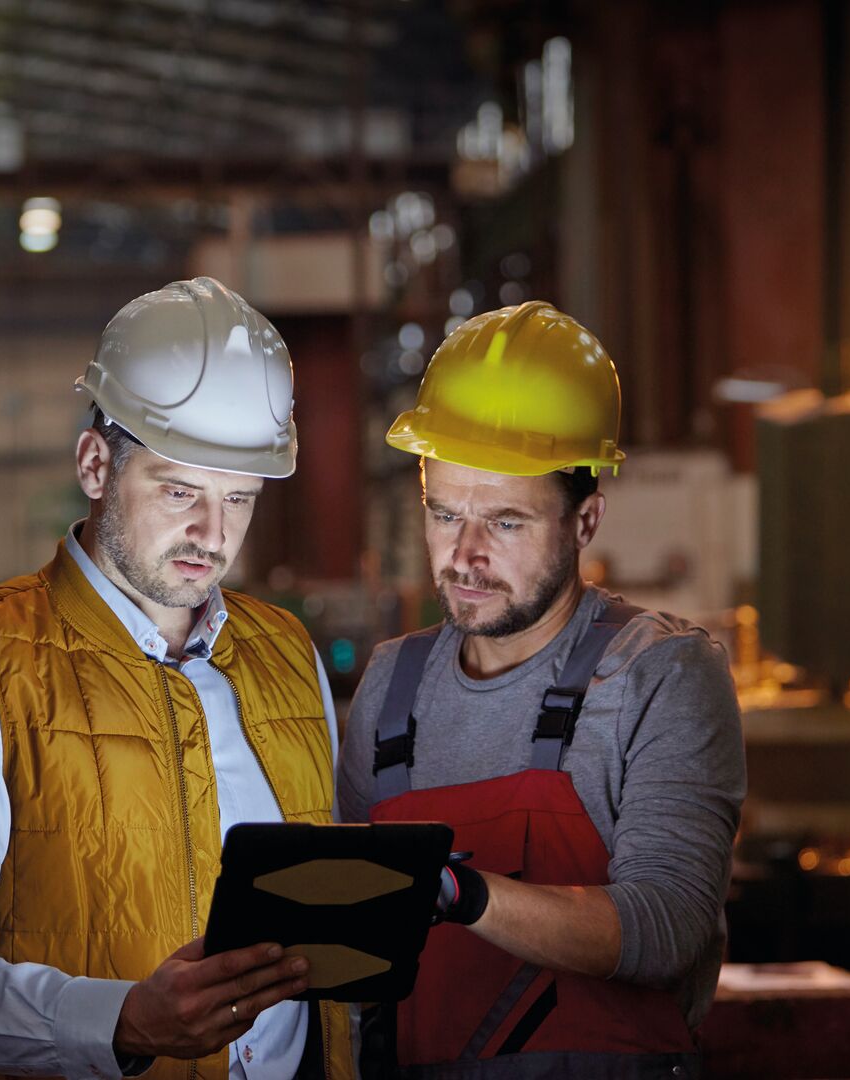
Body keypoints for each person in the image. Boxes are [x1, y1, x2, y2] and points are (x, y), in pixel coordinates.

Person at [0, 278, 354, 1080]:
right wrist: (122, 1022)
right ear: (96, 465)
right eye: (179, 492)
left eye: (239, 498)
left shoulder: (287, 656)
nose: (212, 533)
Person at [338, 302, 744, 1078]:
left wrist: (458, 891)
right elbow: (358, 970)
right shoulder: (393, 684)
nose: (464, 555)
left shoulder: (657, 676)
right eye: (444, 512)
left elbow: (665, 929)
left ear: (586, 520)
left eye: (507, 524)